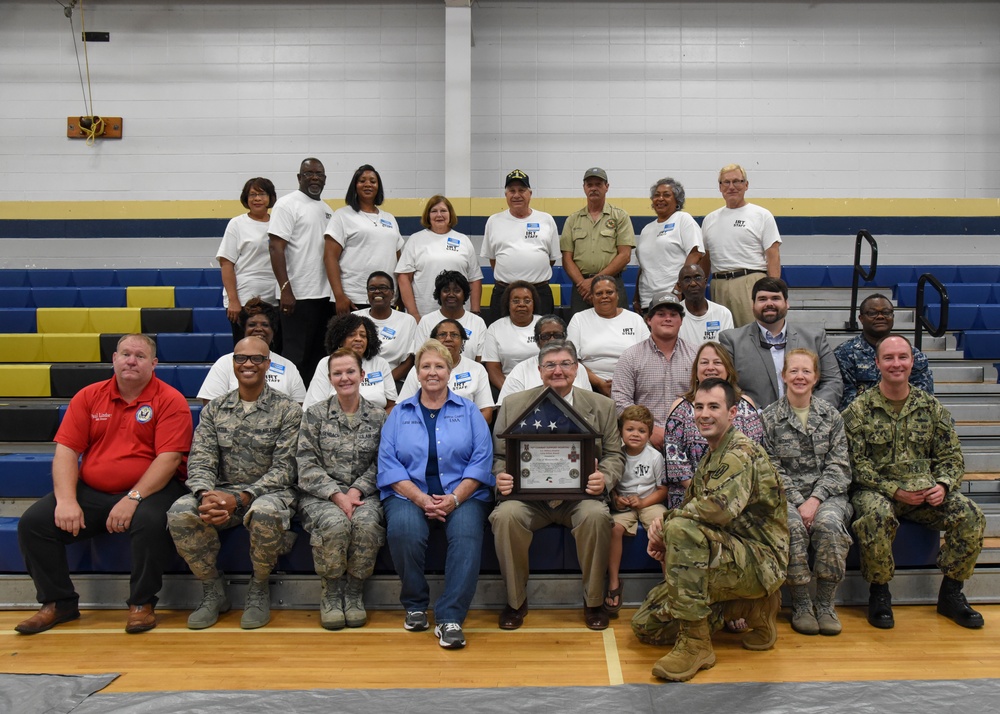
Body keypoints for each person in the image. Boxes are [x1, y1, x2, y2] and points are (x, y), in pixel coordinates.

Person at [15, 334, 192, 635]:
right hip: (93, 491)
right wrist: (67, 500)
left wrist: (133, 497)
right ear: (114, 359)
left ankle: (141, 603)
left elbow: (169, 459)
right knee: (33, 523)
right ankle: (59, 603)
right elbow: (67, 451)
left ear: (154, 363)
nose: (131, 360)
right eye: (125, 354)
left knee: (151, 521)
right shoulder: (88, 396)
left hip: (152, 489)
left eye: (139, 355)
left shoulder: (170, 399)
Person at [631, 378, 788, 682]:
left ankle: (696, 644)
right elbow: (694, 509)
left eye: (713, 407)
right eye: (699, 407)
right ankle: (752, 608)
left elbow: (717, 509)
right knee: (647, 624)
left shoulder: (738, 453)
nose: (704, 413)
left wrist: (665, 525)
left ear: (732, 413)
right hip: (727, 556)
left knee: (680, 529)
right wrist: (668, 533)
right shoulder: (712, 454)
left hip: (760, 561)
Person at [843, 334, 985, 631]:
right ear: (877, 363)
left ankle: (951, 594)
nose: (897, 364)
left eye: (902, 357)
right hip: (877, 490)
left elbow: (952, 456)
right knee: (876, 515)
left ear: (912, 361)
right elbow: (855, 464)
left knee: (971, 514)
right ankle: (879, 594)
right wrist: (894, 490)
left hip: (925, 494)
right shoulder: (858, 410)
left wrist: (943, 485)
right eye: (889, 358)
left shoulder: (931, 408)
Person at [167, 336, 302, 630]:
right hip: (221, 492)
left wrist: (241, 498)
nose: (248, 364)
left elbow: (285, 468)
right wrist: (205, 494)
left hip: (270, 493)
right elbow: (200, 460)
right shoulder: (215, 409)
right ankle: (212, 591)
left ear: (268, 364)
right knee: (180, 512)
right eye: (241, 358)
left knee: (265, 512)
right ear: (233, 363)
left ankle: (259, 588)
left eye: (256, 359)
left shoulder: (288, 410)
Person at [491, 340, 625, 631]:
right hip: (529, 499)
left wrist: (604, 476)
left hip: (580, 498)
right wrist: (500, 476)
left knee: (596, 516)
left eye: (565, 363)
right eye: (550, 365)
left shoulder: (602, 406)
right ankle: (515, 601)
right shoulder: (514, 404)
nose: (558, 370)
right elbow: (499, 455)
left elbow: (615, 454)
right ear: (539, 370)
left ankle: (593, 601)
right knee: (505, 516)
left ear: (577, 369)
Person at [378, 339, 495, 649]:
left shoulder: (469, 411)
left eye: (439, 366)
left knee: (467, 535)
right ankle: (415, 604)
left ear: (450, 370)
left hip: (463, 495)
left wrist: (455, 498)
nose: (432, 372)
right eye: (425, 366)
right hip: (408, 495)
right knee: (404, 530)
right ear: (416, 373)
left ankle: (450, 617)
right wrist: (420, 498)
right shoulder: (399, 413)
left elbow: (481, 461)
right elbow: (388, 465)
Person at [761, 349, 852, 636]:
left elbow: (839, 466)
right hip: (785, 497)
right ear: (783, 375)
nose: (800, 376)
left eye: (806, 372)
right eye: (794, 371)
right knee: (791, 526)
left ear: (816, 377)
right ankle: (801, 603)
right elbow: (770, 468)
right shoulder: (769, 418)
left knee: (828, 525)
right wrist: (800, 503)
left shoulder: (832, 416)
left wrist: (814, 501)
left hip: (828, 495)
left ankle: (825, 604)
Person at [296, 348, 386, 630]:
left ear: (362, 375)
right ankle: (332, 593)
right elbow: (305, 463)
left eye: (350, 372)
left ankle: (354, 593)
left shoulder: (378, 416)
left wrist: (356, 491)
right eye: (338, 373)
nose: (344, 378)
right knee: (334, 524)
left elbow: (384, 462)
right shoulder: (314, 415)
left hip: (364, 496)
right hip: (321, 496)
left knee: (367, 524)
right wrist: (337, 495)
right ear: (330, 378)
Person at [663, 341, 764, 510]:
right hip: (691, 496)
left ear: (728, 370)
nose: (711, 367)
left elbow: (755, 455)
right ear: (696, 371)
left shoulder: (745, 405)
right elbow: (675, 464)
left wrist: (727, 495)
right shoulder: (680, 407)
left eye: (717, 362)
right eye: (704, 362)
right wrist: (706, 495)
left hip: (739, 495)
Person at [719, 276, 842, 410]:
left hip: (808, 422)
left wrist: (810, 411)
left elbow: (833, 382)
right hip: (754, 423)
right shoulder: (732, 340)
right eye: (762, 299)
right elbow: (725, 386)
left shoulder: (814, 338)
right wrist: (754, 413)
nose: (769, 303)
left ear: (787, 303)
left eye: (775, 298)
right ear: (752, 305)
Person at [268, 157, 333, 381]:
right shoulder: (287, 204)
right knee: (295, 358)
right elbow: (276, 247)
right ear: (299, 177)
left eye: (319, 174)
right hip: (297, 296)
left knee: (318, 358)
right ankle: (290, 408)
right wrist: (286, 289)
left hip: (324, 296)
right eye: (309, 174)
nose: (315, 178)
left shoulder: (327, 209)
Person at [611, 292, 696, 450]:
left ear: (681, 320)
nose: (668, 319)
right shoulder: (631, 356)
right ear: (648, 320)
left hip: (690, 441)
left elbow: (704, 399)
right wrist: (648, 430)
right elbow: (620, 402)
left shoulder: (697, 356)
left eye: (673, 314)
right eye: (661, 314)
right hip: (643, 444)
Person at [605, 405, 668, 616]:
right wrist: (617, 500)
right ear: (621, 432)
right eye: (630, 429)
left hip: (649, 501)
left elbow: (662, 490)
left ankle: (670, 584)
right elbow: (611, 486)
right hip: (625, 504)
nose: (635, 435)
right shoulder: (617, 456)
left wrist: (643, 502)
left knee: (662, 526)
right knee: (614, 528)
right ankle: (614, 581)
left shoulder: (654, 457)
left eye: (642, 431)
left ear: (650, 434)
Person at [701, 164, 782, 327]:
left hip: (750, 282)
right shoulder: (709, 219)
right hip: (719, 284)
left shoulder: (761, 215)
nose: (731, 187)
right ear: (720, 187)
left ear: (746, 185)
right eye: (726, 182)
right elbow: (706, 260)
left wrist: (772, 293)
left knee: (754, 336)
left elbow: (773, 255)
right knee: (724, 339)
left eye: (737, 181)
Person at [324, 164, 404, 315]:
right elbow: (329, 257)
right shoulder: (342, 216)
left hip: (386, 298)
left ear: (378, 187)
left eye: (373, 181)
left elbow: (399, 260)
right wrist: (339, 296)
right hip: (353, 299)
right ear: (355, 186)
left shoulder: (389, 218)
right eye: (362, 181)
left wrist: (400, 295)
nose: (368, 184)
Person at [481, 169, 560, 317]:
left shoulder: (546, 219)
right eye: (512, 191)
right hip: (504, 291)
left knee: (543, 335)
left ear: (530, 194)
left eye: (521, 190)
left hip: (539, 292)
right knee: (500, 334)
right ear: (506, 195)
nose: (516, 195)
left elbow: (552, 258)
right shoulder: (494, 221)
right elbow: (493, 259)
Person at [835, 293, 934, 410]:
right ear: (861, 319)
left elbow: (924, 397)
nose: (880, 317)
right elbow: (846, 402)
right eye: (872, 313)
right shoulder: (844, 354)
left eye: (886, 312)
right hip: (862, 422)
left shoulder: (913, 355)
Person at [197, 298, 305, 404]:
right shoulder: (224, 363)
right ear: (244, 329)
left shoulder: (287, 366)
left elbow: (299, 408)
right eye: (252, 325)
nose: (258, 328)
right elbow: (210, 407)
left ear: (273, 331)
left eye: (265, 325)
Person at [560, 167, 635, 314]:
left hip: (612, 284)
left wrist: (594, 283)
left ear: (607, 187)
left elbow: (625, 255)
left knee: (618, 329)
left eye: (598, 184)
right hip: (581, 289)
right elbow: (567, 259)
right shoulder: (573, 220)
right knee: (580, 332)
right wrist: (584, 285)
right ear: (584, 188)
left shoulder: (620, 216)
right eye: (590, 185)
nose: (594, 188)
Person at [397, 195, 483, 322]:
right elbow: (404, 278)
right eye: (434, 211)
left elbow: (474, 279)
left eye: (443, 211)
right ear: (428, 215)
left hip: (460, 313)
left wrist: (475, 312)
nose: (439, 215)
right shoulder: (415, 240)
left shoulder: (463, 240)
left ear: (450, 214)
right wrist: (413, 313)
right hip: (424, 313)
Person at [217, 177, 279, 346]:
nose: (257, 199)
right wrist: (233, 300)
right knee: (246, 349)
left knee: (273, 350)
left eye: (261, 194)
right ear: (246, 198)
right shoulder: (236, 224)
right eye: (252, 195)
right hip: (244, 299)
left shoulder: (279, 222)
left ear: (270, 198)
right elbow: (226, 263)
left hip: (273, 299)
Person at [566, 274, 648, 397]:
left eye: (609, 292)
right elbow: (571, 360)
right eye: (599, 293)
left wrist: (624, 382)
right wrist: (599, 383)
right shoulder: (579, 319)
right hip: (589, 385)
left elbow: (648, 356)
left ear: (617, 295)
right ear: (592, 297)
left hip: (632, 383)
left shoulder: (635, 319)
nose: (605, 296)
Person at [398, 318, 493, 423]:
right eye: (442, 334)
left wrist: (463, 428)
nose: (448, 339)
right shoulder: (419, 368)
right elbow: (403, 408)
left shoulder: (477, 369)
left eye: (454, 335)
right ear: (433, 341)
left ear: (463, 341)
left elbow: (486, 412)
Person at [633, 178, 705, 312]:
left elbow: (695, 254)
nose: (660, 198)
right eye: (656, 195)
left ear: (677, 200)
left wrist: (679, 289)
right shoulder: (646, 229)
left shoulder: (683, 219)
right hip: (647, 302)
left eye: (666, 195)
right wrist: (636, 297)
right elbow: (642, 267)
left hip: (674, 298)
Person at [303, 314, 397, 412]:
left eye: (363, 335)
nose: (358, 339)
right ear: (340, 340)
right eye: (351, 335)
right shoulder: (326, 363)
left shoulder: (380, 363)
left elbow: (392, 405)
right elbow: (313, 406)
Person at [496, 315, 592, 406]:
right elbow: (506, 410)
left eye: (557, 335)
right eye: (545, 336)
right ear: (537, 341)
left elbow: (589, 404)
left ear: (565, 338)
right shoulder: (521, 370)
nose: (552, 340)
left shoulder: (578, 368)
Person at [353, 271, 417, 385]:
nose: (377, 291)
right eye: (372, 288)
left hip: (394, 380)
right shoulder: (354, 318)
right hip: (357, 380)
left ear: (392, 293)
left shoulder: (407, 321)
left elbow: (409, 361)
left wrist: (384, 383)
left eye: (383, 287)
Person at [413, 270, 488, 361]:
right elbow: (420, 357)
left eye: (457, 291)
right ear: (439, 294)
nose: (451, 294)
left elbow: (480, 360)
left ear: (465, 294)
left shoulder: (477, 322)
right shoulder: (426, 321)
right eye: (446, 290)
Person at [482, 281, 542, 392]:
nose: (521, 304)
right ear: (508, 304)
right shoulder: (495, 328)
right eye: (515, 301)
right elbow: (493, 368)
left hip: (543, 384)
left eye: (527, 300)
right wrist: (510, 392)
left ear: (534, 304)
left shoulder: (546, 325)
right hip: (508, 386)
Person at [675, 264, 734, 345]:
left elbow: (727, 350)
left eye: (698, 278)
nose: (693, 283)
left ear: (705, 282)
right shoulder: (674, 315)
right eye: (687, 279)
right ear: (679, 286)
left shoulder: (723, 313)